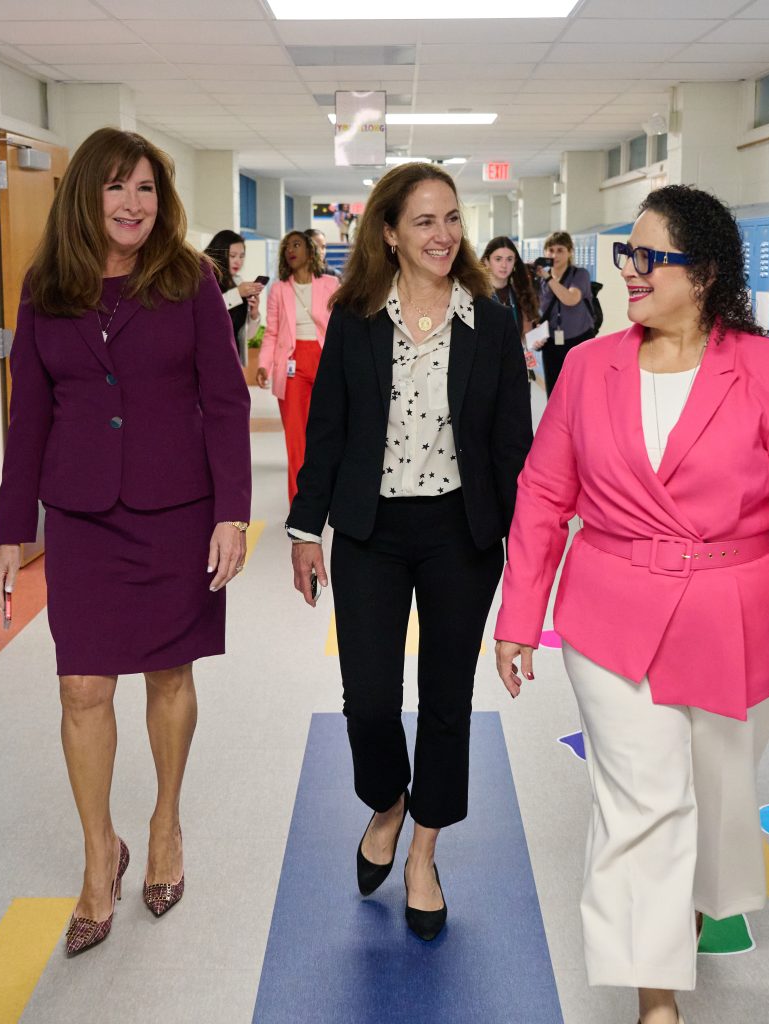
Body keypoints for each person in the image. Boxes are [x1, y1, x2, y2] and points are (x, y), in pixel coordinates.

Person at [493, 185, 769, 1023]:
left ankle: (677, 922)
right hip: (612, 614)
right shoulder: (589, 366)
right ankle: (657, 999)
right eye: (628, 256)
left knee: (716, 791)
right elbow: (544, 496)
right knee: (645, 797)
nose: (630, 273)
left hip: (735, 618)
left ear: (707, 273)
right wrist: (518, 620)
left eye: (650, 258)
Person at [0, 127, 252, 959]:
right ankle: (100, 851)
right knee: (82, 690)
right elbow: (29, 413)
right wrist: (8, 530)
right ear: (85, 198)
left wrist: (233, 513)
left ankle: (165, 823)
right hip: (82, 518)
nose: (133, 204)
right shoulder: (46, 287)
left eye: (145, 188)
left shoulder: (191, 281)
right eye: (115, 188)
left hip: (176, 510)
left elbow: (227, 400)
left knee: (169, 675)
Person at [287, 163, 532, 942]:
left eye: (452, 218)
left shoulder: (489, 321)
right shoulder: (357, 316)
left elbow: (510, 448)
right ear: (388, 232)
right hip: (371, 532)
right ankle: (387, 802)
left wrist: (526, 556)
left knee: (449, 703)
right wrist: (302, 530)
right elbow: (326, 432)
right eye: (424, 221)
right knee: (368, 700)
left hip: (462, 534)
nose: (444, 234)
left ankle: (424, 849)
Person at [257, 230, 340, 502]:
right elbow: (271, 332)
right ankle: (300, 500)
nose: (291, 250)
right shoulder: (279, 289)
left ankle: (330, 493)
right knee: (296, 437)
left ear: (310, 250)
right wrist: (264, 365)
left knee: (329, 430)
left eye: (297, 244)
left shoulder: (330, 283)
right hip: (292, 363)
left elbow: (342, 326)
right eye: (287, 247)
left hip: (325, 358)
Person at [531, 230, 596, 394]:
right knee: (554, 393)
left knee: (579, 392)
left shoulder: (579, 274)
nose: (555, 255)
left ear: (569, 252)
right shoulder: (540, 281)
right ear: (545, 252)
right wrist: (535, 335)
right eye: (551, 250)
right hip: (552, 344)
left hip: (579, 340)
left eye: (560, 250)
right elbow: (534, 313)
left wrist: (547, 278)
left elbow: (570, 299)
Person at [482, 236, 539, 379]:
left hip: (515, 369)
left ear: (515, 263)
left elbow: (525, 334)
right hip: (486, 370)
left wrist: (534, 339)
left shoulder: (520, 293)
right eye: (498, 259)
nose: (504, 265)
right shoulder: (476, 295)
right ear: (487, 262)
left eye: (509, 259)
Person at [204, 228, 263, 363]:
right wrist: (237, 294)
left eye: (242, 256)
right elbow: (206, 311)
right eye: (233, 256)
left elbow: (246, 335)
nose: (238, 261)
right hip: (210, 356)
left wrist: (254, 314)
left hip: (233, 357)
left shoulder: (238, 281)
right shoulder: (205, 279)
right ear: (220, 253)